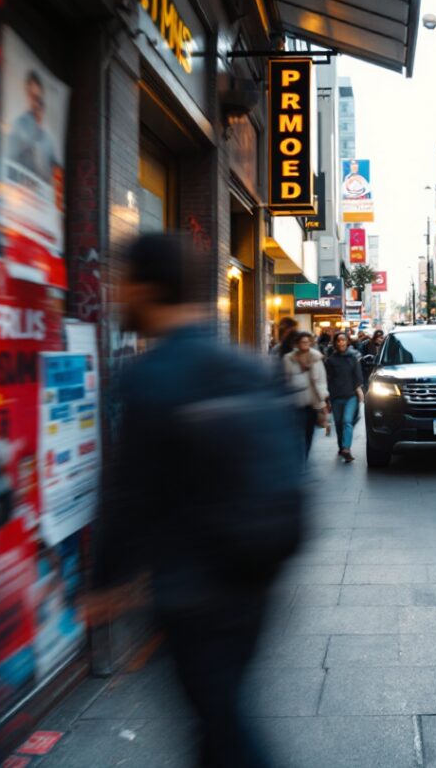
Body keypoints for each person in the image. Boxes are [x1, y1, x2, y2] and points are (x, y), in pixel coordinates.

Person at [97, 233, 304, 767]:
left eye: (123, 284)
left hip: (191, 590)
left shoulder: (150, 376)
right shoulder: (245, 365)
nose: (117, 296)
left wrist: (104, 584)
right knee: (216, 720)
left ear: (147, 288)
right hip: (255, 580)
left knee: (223, 723)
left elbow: (129, 493)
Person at [283, 332, 329, 458]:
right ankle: (297, 455)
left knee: (309, 432)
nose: (306, 344)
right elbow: (286, 379)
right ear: (297, 344)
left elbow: (321, 380)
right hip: (295, 402)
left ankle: (304, 456)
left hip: (312, 401)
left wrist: (323, 400)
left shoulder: (316, 358)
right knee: (297, 432)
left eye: (308, 342)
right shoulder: (289, 358)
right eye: (303, 342)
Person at [325, 333, 364, 463]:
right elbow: (327, 380)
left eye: (343, 340)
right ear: (335, 343)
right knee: (339, 424)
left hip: (350, 396)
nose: (341, 343)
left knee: (347, 421)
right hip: (336, 397)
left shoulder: (353, 358)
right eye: (339, 340)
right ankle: (341, 447)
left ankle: (346, 448)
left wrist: (359, 391)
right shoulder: (330, 360)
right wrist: (327, 399)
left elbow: (358, 377)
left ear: (347, 342)